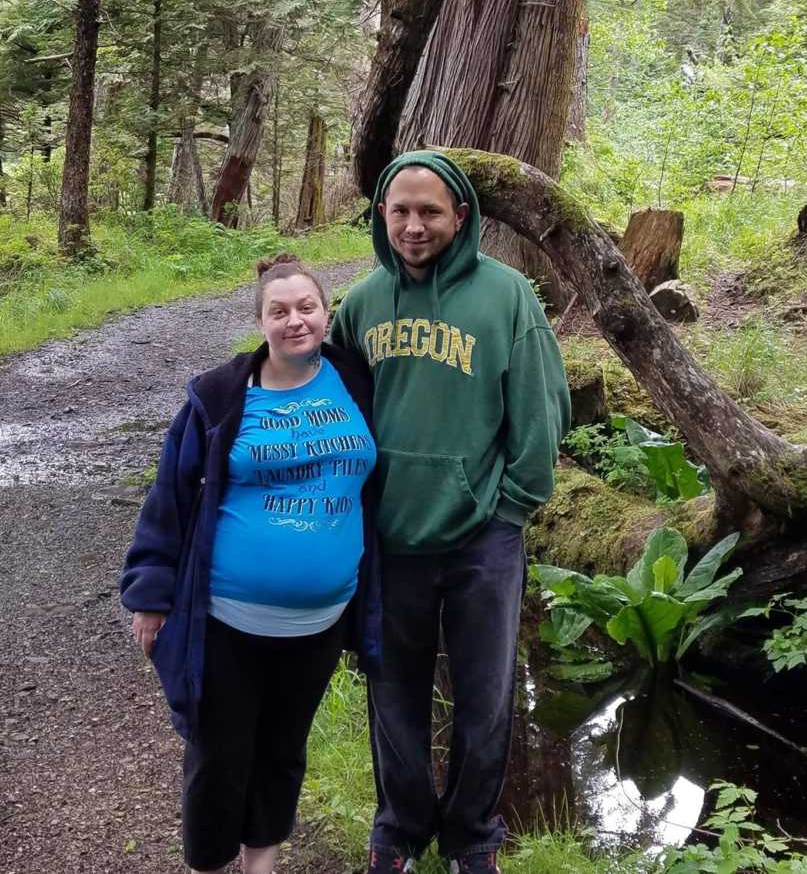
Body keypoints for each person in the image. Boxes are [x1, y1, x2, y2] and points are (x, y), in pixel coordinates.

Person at [330, 150, 571, 874]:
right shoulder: (363, 303)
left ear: (461, 215)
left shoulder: (506, 296)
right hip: (392, 535)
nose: (413, 225)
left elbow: (541, 407)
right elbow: (333, 410)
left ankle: (472, 836)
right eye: (399, 210)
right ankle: (398, 830)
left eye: (430, 211)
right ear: (381, 214)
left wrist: (513, 507)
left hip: (482, 537)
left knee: (486, 694)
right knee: (392, 692)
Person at [120, 254, 381, 874]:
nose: (296, 321)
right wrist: (151, 595)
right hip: (227, 620)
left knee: (283, 751)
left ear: (326, 313)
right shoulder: (220, 396)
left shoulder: (356, 380)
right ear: (260, 321)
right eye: (279, 311)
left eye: (307, 307)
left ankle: (259, 866)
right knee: (219, 754)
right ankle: (211, 864)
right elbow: (172, 497)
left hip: (320, 623)